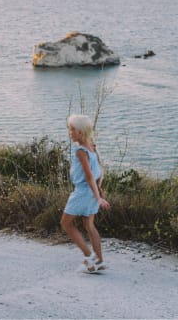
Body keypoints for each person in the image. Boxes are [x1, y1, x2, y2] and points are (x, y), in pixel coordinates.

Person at [60, 114, 110, 273]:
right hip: (92, 191)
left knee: (65, 223)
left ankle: (90, 257)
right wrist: (99, 192)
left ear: (80, 132)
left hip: (83, 192)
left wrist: (98, 198)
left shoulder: (81, 151)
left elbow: (89, 176)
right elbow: (100, 172)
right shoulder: (92, 146)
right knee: (89, 224)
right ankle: (100, 261)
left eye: (72, 129)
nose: (70, 132)